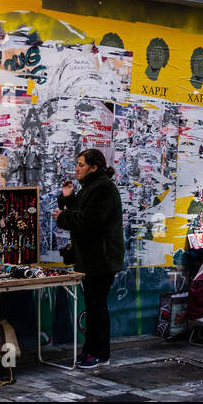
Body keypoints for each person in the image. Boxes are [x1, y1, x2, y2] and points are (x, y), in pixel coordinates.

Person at [52, 148, 125, 368]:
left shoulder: (103, 188)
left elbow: (88, 221)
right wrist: (68, 199)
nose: (77, 168)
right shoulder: (90, 187)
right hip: (93, 258)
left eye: (81, 164)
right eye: (78, 164)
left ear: (94, 167)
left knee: (97, 306)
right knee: (93, 306)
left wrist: (63, 216)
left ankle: (100, 353)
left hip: (101, 259)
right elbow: (79, 213)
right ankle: (91, 350)